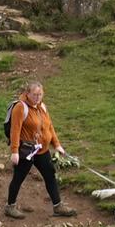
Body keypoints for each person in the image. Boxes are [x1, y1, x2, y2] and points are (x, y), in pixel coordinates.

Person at [5, 81, 76, 219]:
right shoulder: (20, 107)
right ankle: (10, 207)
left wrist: (57, 144)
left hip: (42, 150)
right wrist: (14, 152)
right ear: (27, 93)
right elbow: (15, 130)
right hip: (26, 151)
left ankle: (58, 206)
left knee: (50, 175)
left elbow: (49, 127)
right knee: (18, 178)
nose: (37, 97)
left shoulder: (42, 106)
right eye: (35, 94)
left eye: (40, 94)